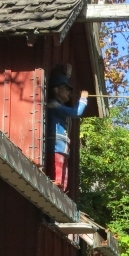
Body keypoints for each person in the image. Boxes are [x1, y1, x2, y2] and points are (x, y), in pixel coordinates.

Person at [45, 65, 89, 193]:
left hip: (63, 145)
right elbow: (77, 112)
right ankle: (56, 191)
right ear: (57, 90)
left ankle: (61, 191)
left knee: (64, 174)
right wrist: (83, 100)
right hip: (56, 144)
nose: (69, 92)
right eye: (66, 89)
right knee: (57, 173)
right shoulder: (54, 105)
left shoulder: (59, 106)